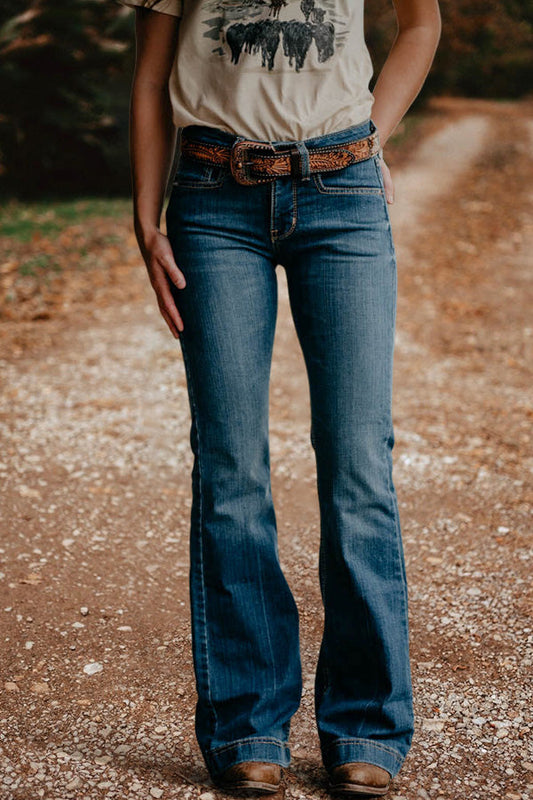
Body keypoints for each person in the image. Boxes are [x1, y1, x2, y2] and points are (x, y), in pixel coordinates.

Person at [117, 0, 441, 796]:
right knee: (231, 471)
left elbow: (420, 24)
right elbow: (152, 72)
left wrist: (372, 134)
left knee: (358, 459)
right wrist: (143, 214)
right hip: (212, 198)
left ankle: (364, 726)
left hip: (345, 195)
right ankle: (248, 726)